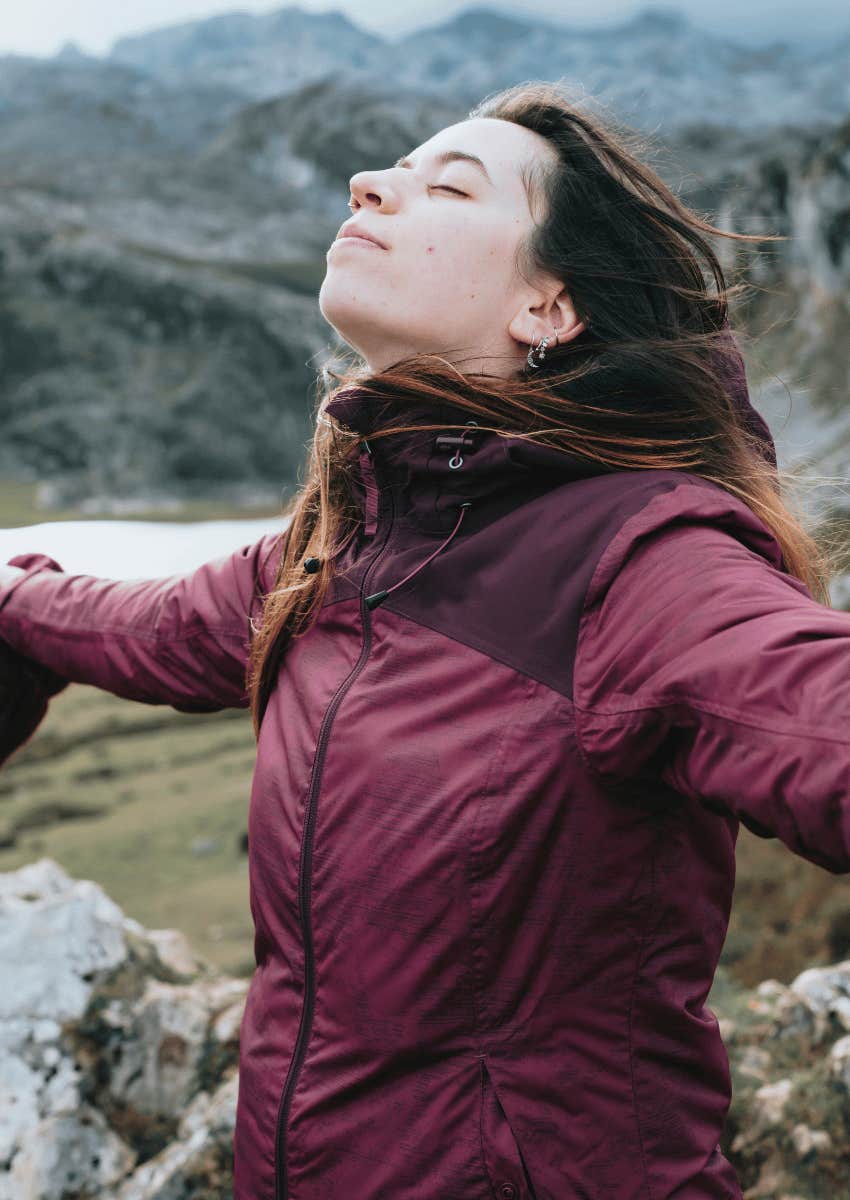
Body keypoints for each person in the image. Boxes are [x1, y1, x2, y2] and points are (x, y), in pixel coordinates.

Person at [1, 80, 848, 1200]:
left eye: (448, 184)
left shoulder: (641, 563)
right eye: (390, 169)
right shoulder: (345, 545)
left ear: (549, 308)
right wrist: (13, 598)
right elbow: (148, 626)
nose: (370, 185)